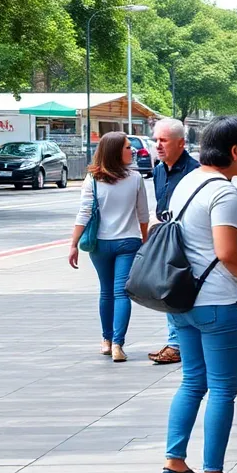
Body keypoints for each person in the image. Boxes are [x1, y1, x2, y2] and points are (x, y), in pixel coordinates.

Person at [162, 116, 237, 473]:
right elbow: (227, 253)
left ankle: (174, 464)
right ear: (234, 151)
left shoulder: (186, 183)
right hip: (220, 302)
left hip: (184, 300)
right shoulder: (223, 192)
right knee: (223, 390)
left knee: (193, 382)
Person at [68, 132, 150, 363]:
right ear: (115, 151)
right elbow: (143, 214)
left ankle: (105, 341)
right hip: (128, 242)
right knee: (121, 293)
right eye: (126, 147)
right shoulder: (135, 178)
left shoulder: (93, 179)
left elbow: (84, 213)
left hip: (99, 244)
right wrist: (144, 240)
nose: (131, 150)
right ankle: (117, 344)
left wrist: (73, 244)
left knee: (106, 292)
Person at [149, 118, 200, 365]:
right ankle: (175, 342)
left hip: (189, 240)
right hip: (167, 239)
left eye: (164, 140)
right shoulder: (158, 170)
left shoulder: (195, 171)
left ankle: (180, 342)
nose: (158, 145)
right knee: (168, 288)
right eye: (156, 140)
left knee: (182, 288)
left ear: (181, 143)